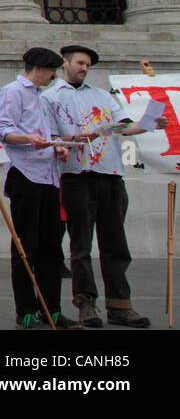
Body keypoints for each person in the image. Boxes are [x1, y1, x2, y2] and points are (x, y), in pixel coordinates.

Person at [45, 44, 163, 328]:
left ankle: (120, 305)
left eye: (87, 65)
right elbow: (49, 137)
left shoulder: (101, 96)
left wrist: (148, 123)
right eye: (80, 63)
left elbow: (122, 126)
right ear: (66, 63)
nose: (84, 68)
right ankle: (86, 302)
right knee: (81, 244)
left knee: (115, 243)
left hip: (109, 174)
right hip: (77, 174)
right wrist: (69, 142)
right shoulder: (50, 97)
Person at [0, 47, 78, 330]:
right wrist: (30, 139)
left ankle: (51, 308)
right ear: (39, 68)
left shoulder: (43, 97)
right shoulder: (11, 92)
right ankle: (25, 310)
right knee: (25, 246)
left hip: (49, 175)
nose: (54, 76)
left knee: (51, 246)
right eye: (52, 70)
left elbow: (49, 134)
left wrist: (59, 148)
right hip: (25, 174)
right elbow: (4, 131)